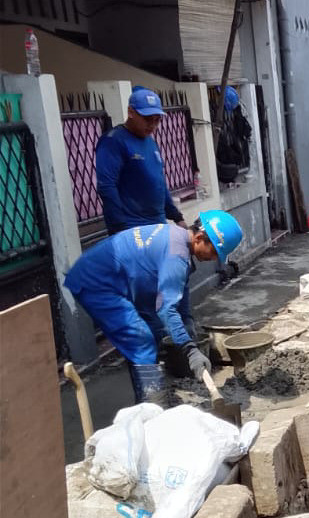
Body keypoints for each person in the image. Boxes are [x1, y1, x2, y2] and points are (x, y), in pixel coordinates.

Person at [64, 211, 243, 403]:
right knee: (141, 339)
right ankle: (152, 402)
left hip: (122, 280)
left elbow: (179, 288)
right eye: (215, 252)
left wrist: (187, 319)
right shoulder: (177, 255)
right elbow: (167, 309)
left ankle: (147, 387)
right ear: (199, 238)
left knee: (154, 329)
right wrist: (190, 350)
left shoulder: (178, 239)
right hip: (97, 283)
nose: (214, 258)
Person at [96, 86, 187, 235]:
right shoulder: (114, 141)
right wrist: (120, 229)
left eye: (157, 120)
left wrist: (177, 217)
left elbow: (159, 182)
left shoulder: (150, 141)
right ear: (131, 112)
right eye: (147, 119)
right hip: (132, 228)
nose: (152, 125)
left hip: (158, 224)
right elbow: (107, 186)